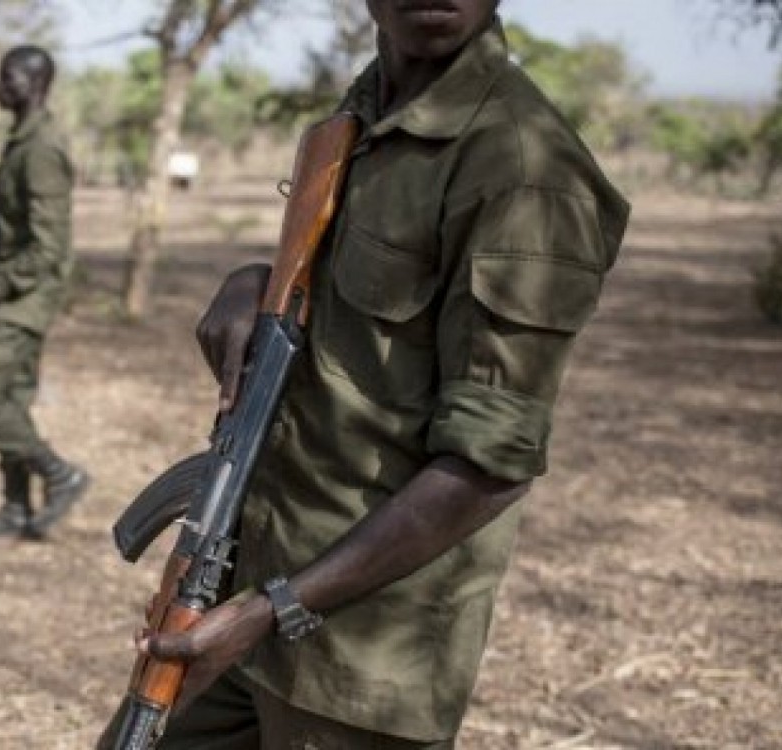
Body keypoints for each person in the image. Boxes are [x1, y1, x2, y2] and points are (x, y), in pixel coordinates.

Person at [102, 1, 631, 747]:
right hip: (243, 581)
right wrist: (258, 279)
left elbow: (489, 465)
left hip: (358, 657)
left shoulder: (524, 169)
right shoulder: (366, 117)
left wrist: (268, 611)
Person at [0, 45, 91, 542]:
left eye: (8, 78)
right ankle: (16, 508)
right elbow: (14, 221)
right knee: (10, 397)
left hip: (27, 295)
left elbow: (51, 250)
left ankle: (60, 474)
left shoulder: (41, 149)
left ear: (35, 83)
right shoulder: (21, 141)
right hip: (14, 287)